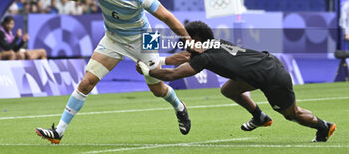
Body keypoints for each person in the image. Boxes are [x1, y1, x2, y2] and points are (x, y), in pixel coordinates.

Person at [35, 0, 192, 144]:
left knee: (157, 89)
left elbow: (167, 16)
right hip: (113, 38)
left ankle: (179, 107)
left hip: (145, 37)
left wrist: (188, 40)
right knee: (87, 82)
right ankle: (59, 131)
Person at [136, 21, 337, 142]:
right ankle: (259, 117)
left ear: (196, 38)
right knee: (229, 89)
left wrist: (148, 71)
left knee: (292, 114)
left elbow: (173, 75)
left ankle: (323, 127)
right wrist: (158, 61)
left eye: (186, 39)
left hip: (271, 78)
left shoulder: (204, 56)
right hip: (264, 65)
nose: (183, 42)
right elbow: (183, 57)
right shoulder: (215, 44)